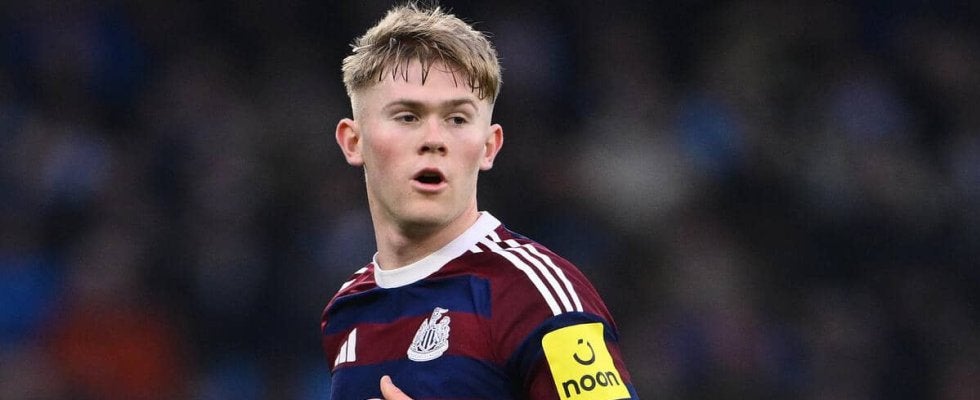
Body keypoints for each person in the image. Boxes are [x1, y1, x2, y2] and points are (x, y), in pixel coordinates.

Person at [321, 3, 638, 399]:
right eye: (407, 116)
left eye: (457, 119)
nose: (433, 139)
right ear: (354, 141)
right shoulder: (347, 310)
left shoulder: (533, 294)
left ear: (489, 146)